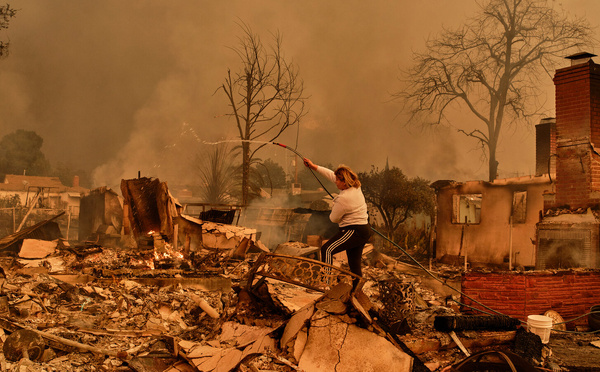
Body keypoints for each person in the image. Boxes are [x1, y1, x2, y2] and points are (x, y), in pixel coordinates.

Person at [303, 158, 371, 288]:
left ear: (344, 182)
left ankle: (324, 282)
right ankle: (357, 290)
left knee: (327, 249)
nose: (335, 182)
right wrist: (314, 166)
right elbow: (331, 175)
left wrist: (335, 203)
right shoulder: (356, 187)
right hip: (364, 229)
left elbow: (333, 219)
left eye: (338, 181)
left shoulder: (344, 198)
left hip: (353, 231)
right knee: (354, 263)